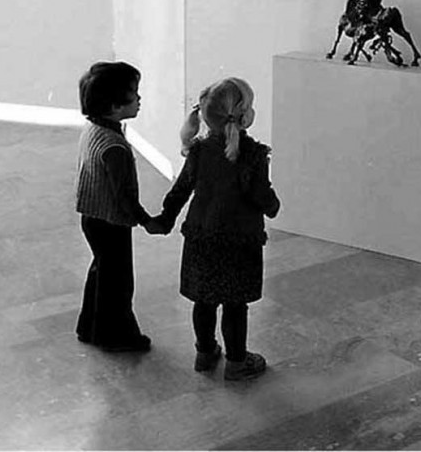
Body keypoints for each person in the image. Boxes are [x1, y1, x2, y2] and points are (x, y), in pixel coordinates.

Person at [146, 77, 280, 380]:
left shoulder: (198, 150)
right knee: (235, 304)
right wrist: (273, 206)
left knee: (203, 300)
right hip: (239, 240)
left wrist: (166, 219)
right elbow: (261, 194)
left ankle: (205, 353)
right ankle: (236, 362)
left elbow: (180, 190)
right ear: (244, 114)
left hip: (201, 236)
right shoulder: (254, 154)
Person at [75, 61, 154, 352]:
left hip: (92, 217)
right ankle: (118, 336)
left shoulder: (94, 129)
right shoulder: (114, 146)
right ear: (114, 105)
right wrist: (147, 221)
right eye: (134, 94)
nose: (139, 99)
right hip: (111, 221)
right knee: (119, 283)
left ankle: (90, 327)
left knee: (102, 273)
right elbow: (125, 197)